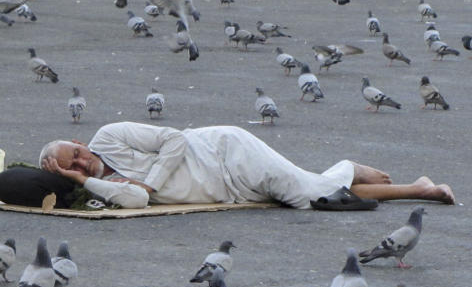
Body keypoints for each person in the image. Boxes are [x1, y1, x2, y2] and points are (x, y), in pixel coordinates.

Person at [39, 122, 454, 209]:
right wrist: (84, 181)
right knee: (322, 195)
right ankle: (421, 189)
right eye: (71, 165)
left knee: (311, 198)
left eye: (76, 152)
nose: (81, 160)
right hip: (228, 190)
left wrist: (150, 182)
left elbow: (175, 139)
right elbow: (135, 203)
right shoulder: (104, 188)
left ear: (79, 141)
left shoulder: (110, 135)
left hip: (225, 151)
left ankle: (348, 165)